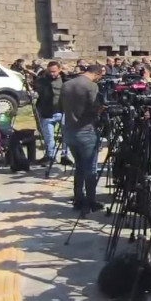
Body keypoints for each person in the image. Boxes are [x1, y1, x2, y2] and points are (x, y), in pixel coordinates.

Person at [60, 64, 103, 215]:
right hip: (85, 130)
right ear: (97, 74)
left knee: (79, 166)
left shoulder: (66, 84)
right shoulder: (91, 86)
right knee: (90, 168)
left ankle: (78, 198)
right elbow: (94, 107)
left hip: (69, 131)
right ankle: (90, 201)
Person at [34, 61, 72, 167]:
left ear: (59, 70)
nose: (52, 74)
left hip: (63, 111)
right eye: (50, 71)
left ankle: (65, 156)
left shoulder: (66, 80)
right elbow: (36, 88)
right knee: (49, 137)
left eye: (54, 71)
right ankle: (50, 156)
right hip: (48, 112)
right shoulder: (42, 80)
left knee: (66, 136)